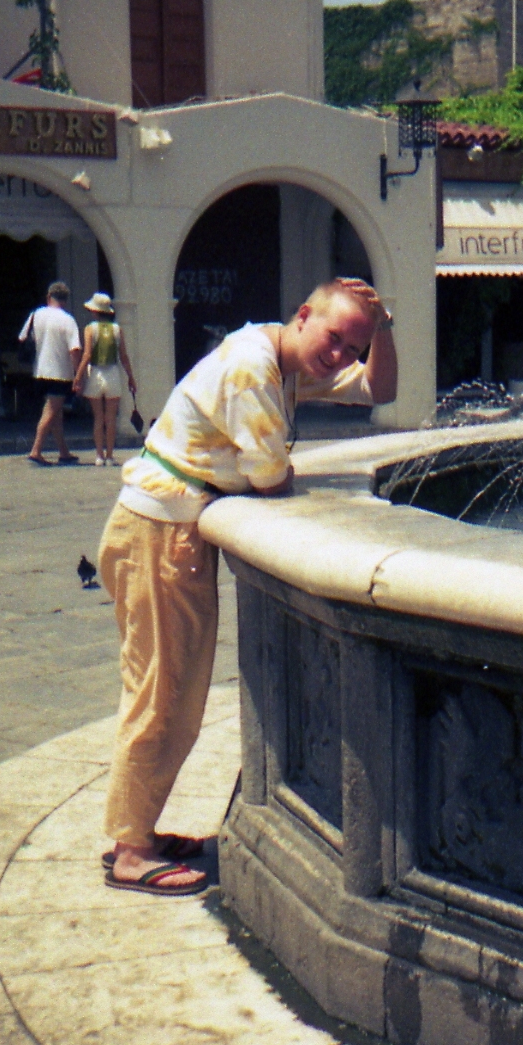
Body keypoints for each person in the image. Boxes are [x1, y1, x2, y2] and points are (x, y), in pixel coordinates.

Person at [99, 275, 397, 895]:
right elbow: (268, 477)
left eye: (353, 346)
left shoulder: (284, 360)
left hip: (166, 532)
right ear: (304, 314)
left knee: (171, 694)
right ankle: (130, 851)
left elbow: (379, 388)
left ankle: (137, 831)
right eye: (335, 337)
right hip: (161, 535)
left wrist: (384, 328)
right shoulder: (254, 368)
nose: (339, 355)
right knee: (161, 695)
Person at [20, 281, 82, 465]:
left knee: (56, 413)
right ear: (65, 300)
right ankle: (36, 450)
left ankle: (63, 451)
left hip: (40, 370)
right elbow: (74, 350)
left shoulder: (36, 315)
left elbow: (23, 337)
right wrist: (78, 375)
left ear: (49, 297)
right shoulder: (67, 320)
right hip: (59, 373)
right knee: (51, 411)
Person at [72, 292, 137, 467]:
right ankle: (110, 455)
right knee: (111, 418)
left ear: (95, 311)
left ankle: (99, 455)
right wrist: (131, 377)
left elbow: (87, 354)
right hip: (113, 373)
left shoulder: (90, 329)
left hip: (96, 373)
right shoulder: (117, 329)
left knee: (98, 418)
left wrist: (78, 376)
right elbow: (124, 356)